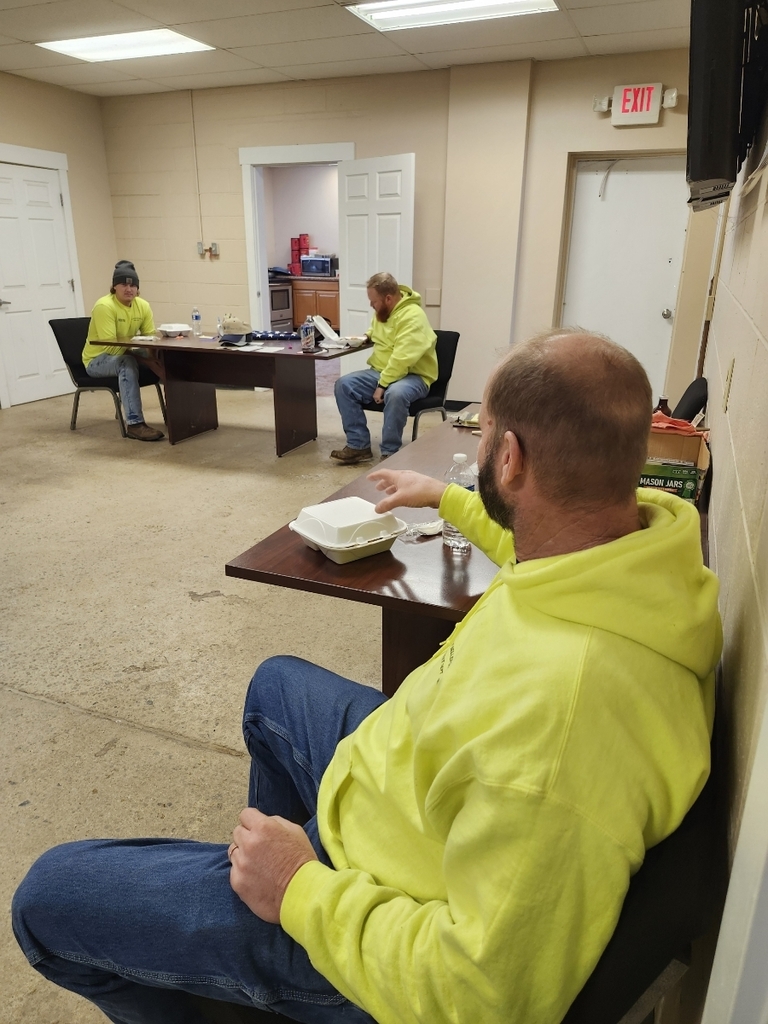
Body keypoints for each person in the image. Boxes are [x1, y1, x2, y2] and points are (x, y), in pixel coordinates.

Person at [12, 330, 721, 1024]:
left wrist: (298, 890)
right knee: (274, 685)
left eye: (482, 436)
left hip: (382, 915)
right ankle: (249, 939)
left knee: (45, 901)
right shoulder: (623, 562)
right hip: (410, 786)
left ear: (508, 459)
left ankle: (271, 943)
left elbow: (484, 998)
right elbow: (530, 545)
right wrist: (443, 499)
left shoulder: (562, 730)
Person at [331, 271, 437, 464]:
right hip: (381, 372)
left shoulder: (413, 317)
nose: (371, 306)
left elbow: (401, 359)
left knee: (395, 393)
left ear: (388, 298)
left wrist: (382, 384)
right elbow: (377, 327)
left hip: (414, 376)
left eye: (374, 302)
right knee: (344, 385)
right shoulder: (384, 311)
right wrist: (366, 336)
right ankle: (358, 446)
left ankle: (390, 453)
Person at [82, 260, 165, 442]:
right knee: (127, 362)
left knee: (164, 356)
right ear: (114, 287)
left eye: (133, 285)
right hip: (97, 360)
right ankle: (135, 424)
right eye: (124, 284)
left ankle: (180, 417)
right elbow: (111, 348)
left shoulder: (142, 305)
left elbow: (150, 338)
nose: (129, 289)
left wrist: (154, 358)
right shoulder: (104, 306)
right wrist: (144, 358)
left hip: (123, 353)